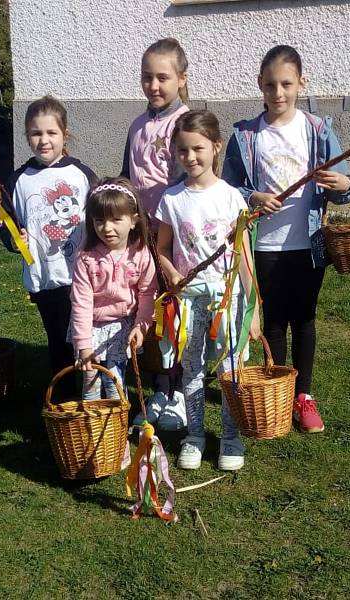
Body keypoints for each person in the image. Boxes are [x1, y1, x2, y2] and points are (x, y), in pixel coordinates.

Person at [222, 45, 350, 434]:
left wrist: (342, 183)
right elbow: (230, 189)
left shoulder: (317, 130)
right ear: (259, 86)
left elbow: (346, 188)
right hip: (265, 247)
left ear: (301, 83)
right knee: (274, 322)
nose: (277, 92)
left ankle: (304, 396)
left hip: (307, 244)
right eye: (269, 85)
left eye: (285, 84)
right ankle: (276, 392)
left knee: (305, 319)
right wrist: (253, 198)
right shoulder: (247, 137)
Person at [155, 110, 260, 471]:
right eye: (182, 151)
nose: (191, 157)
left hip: (227, 300)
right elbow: (162, 248)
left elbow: (243, 254)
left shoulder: (232, 198)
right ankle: (195, 434)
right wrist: (170, 273)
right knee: (192, 367)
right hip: (189, 301)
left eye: (198, 149)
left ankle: (231, 436)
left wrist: (254, 309)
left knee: (230, 368)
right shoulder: (171, 199)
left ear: (216, 147)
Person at [0, 96, 97, 393]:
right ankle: (66, 399)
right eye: (36, 133)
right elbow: (7, 227)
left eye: (51, 133)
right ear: (27, 136)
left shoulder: (82, 175)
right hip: (45, 279)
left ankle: (96, 398)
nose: (44, 140)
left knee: (88, 338)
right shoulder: (18, 180)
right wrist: (15, 241)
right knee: (58, 341)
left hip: (81, 277)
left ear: (64, 134)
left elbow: (101, 218)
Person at [121, 37, 191, 430]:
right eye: (147, 78)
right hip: (139, 238)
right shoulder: (136, 125)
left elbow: (190, 183)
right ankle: (153, 387)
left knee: (172, 313)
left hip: (172, 241)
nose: (154, 85)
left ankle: (175, 390)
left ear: (181, 79)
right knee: (142, 310)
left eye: (163, 77)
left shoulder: (184, 124)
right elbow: (128, 178)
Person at [70, 178, 157, 399]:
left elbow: (148, 293)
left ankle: (116, 427)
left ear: (134, 220)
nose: (107, 228)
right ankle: (92, 426)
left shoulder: (141, 254)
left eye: (116, 219)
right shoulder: (86, 257)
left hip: (122, 327)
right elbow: (81, 302)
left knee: (114, 379)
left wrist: (142, 326)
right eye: (99, 220)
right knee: (90, 381)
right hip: (90, 326)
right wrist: (83, 346)